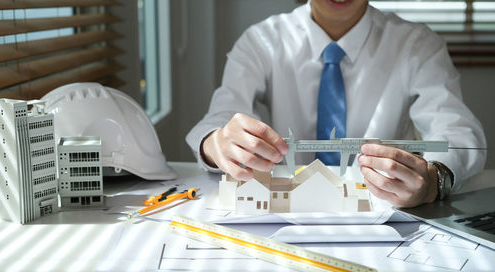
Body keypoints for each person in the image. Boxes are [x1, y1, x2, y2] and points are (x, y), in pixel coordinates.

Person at [186, 0, 486, 208]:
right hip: (285, 217)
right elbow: (219, 119)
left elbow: (459, 135)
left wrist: (435, 181)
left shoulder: (418, 45)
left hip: (382, 216)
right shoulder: (260, 41)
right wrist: (216, 144)